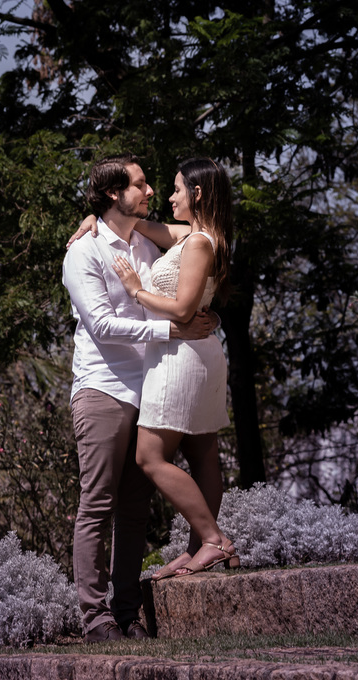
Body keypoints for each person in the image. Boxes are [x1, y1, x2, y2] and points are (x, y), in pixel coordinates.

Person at [62, 155, 217, 642]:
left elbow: (188, 268)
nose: (150, 191)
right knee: (98, 503)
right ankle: (95, 617)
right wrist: (171, 328)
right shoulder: (83, 252)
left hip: (150, 384)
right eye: (140, 184)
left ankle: (127, 614)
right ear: (113, 193)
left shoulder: (147, 244)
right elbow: (103, 326)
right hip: (103, 387)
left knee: (134, 507)